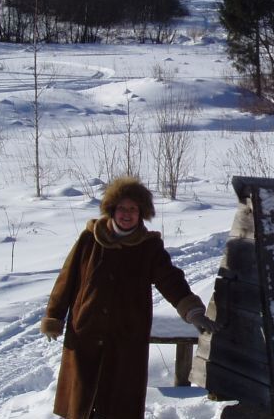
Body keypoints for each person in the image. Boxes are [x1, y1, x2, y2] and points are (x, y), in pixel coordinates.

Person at [41, 175, 219, 419]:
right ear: (112, 210)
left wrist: (193, 311)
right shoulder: (89, 240)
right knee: (82, 403)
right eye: (122, 208)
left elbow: (171, 281)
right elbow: (67, 280)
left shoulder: (148, 248)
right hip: (86, 336)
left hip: (126, 340)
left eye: (133, 209)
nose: (127, 214)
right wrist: (54, 317)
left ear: (141, 213)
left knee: (118, 404)